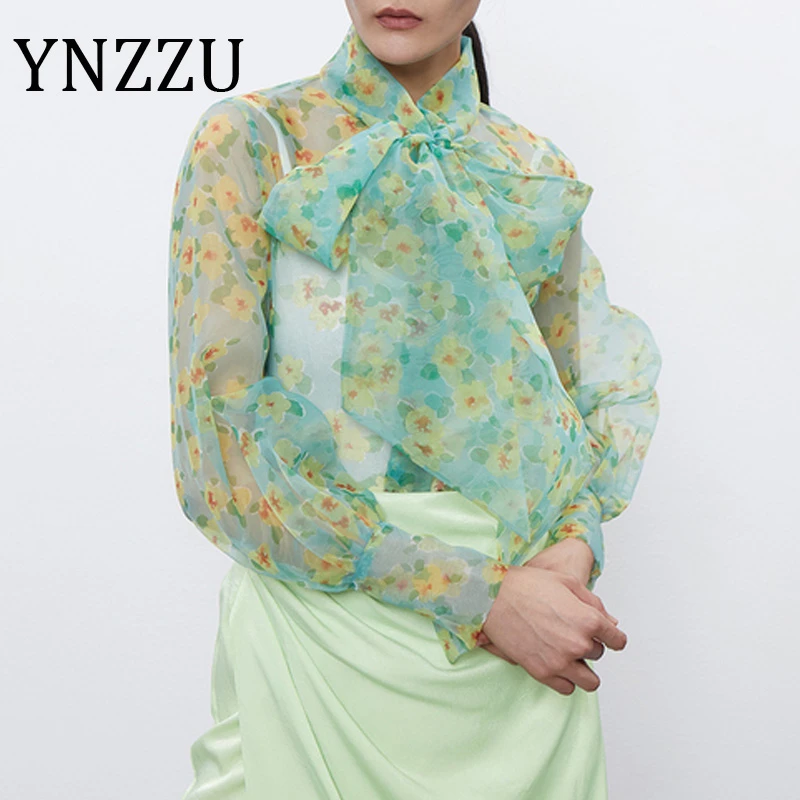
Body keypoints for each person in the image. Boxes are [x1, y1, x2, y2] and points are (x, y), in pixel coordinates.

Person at [168, 1, 662, 797]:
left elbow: (567, 416)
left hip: (514, 675)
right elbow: (217, 467)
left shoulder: (527, 167)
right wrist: (479, 596)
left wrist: (573, 548)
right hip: (315, 644)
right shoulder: (254, 141)